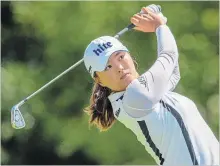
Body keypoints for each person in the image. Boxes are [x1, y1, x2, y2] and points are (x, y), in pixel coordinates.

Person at [83, 5, 219, 166]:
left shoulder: (145, 94)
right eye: (107, 67)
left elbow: (173, 73)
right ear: (100, 81)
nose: (119, 68)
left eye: (120, 57)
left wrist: (160, 25)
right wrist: (160, 26)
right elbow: (168, 55)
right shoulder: (135, 96)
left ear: (130, 57)